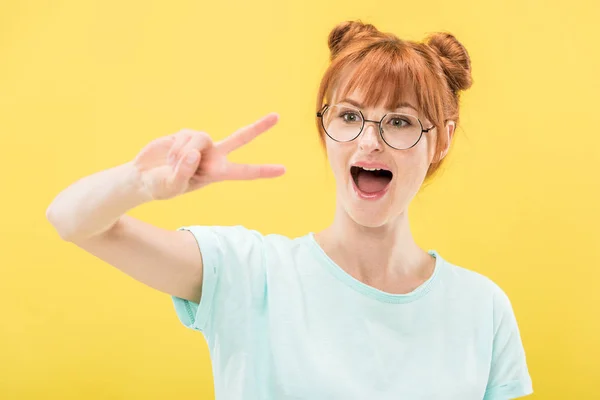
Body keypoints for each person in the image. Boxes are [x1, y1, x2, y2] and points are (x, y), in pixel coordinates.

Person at [46, 20, 532, 400]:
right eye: (349, 115)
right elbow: (69, 220)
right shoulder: (248, 274)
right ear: (325, 128)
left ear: (441, 139)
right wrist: (142, 182)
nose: (369, 141)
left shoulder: (482, 308)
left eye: (400, 122)